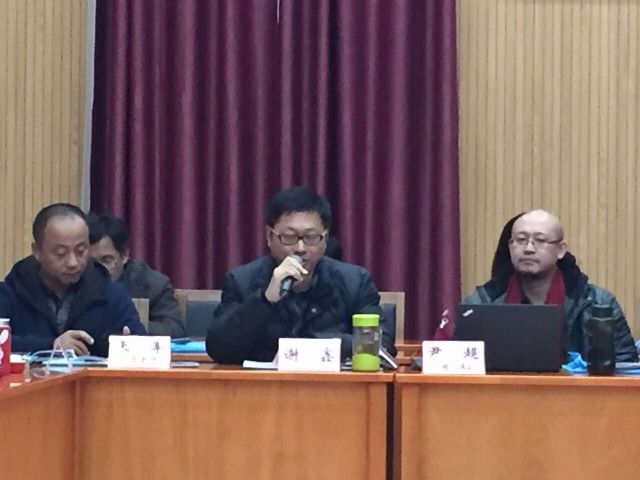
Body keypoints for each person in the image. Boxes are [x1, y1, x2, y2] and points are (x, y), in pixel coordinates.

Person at [206, 186, 395, 364]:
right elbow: (219, 350)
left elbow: (382, 345)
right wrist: (265, 299)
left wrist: (308, 347)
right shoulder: (241, 281)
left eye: (311, 237)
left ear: (325, 239)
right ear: (269, 237)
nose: (300, 248)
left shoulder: (355, 281)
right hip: (264, 385)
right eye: (289, 237)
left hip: (333, 385)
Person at [465, 209, 638, 362]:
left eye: (540, 240)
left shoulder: (597, 304)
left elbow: (626, 369)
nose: (529, 248)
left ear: (561, 250)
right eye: (521, 240)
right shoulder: (481, 303)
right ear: (510, 247)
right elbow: (458, 364)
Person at [0, 203, 146, 356]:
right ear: (37, 251)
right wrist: (51, 345)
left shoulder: (112, 294)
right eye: (60, 253)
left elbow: (142, 345)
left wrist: (128, 345)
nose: (73, 262)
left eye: (80, 251)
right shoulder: (11, 292)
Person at [87, 212, 186, 337]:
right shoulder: (73, 279)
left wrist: (131, 323)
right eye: (90, 262)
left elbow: (175, 330)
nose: (98, 269)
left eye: (106, 260)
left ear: (124, 256)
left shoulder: (153, 285)